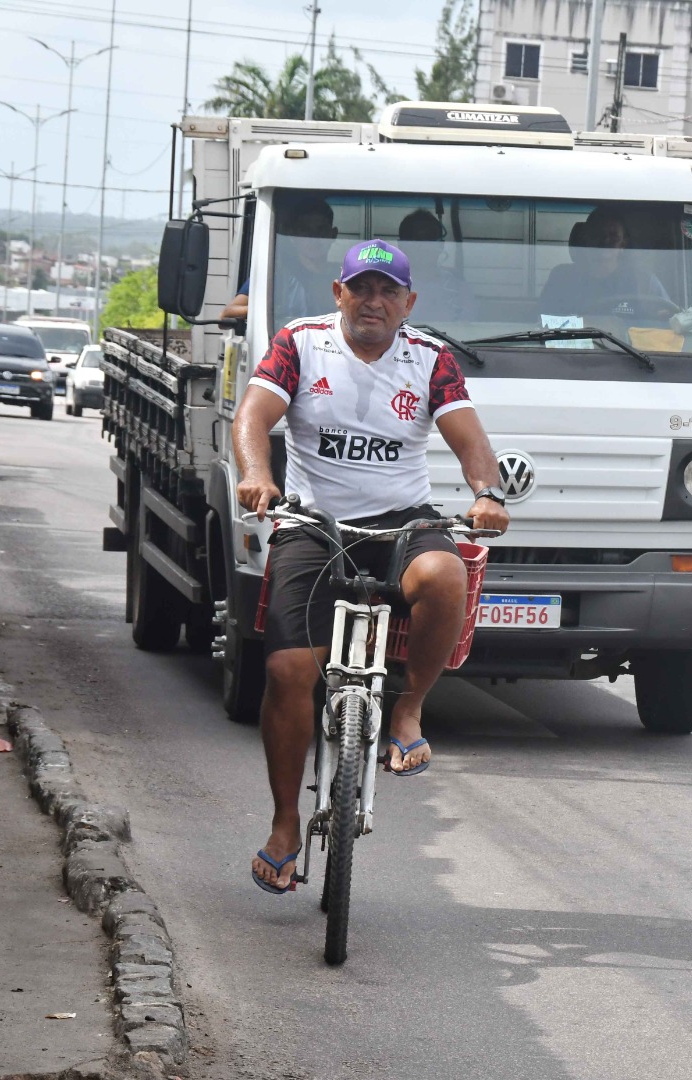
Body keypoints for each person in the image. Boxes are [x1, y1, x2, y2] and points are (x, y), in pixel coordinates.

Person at [232, 238, 511, 894]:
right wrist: (256, 473)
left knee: (447, 575)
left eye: (388, 291)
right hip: (314, 522)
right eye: (362, 288)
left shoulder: (431, 359)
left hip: (402, 521)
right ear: (340, 294)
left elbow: (472, 442)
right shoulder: (300, 343)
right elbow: (254, 413)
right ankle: (283, 825)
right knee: (287, 670)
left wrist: (487, 494)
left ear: (408, 302)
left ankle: (408, 711)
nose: (374, 302)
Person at [218, 194, 340, 325]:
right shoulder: (276, 275)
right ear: (293, 236)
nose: (314, 238)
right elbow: (226, 315)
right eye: (305, 231)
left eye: (320, 230)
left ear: (332, 234)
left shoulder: (344, 278)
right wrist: (270, 312)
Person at [538, 206, 674, 318]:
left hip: (630, 351)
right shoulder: (562, 278)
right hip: (568, 349)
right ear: (585, 239)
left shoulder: (644, 282)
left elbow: (669, 323)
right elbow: (541, 320)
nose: (605, 241)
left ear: (623, 243)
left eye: (613, 235)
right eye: (597, 234)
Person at [395, 209, 473, 323]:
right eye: (416, 241)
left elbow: (471, 330)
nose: (423, 247)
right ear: (401, 245)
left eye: (429, 240)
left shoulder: (458, 289)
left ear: (441, 245)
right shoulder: (389, 288)